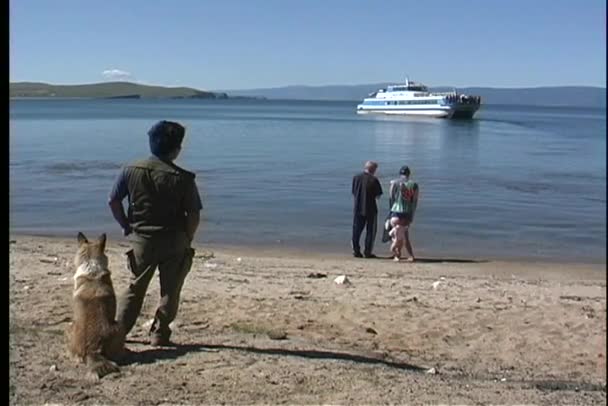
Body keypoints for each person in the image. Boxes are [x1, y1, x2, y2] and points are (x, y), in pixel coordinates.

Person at [108, 120, 202, 346]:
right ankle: (159, 333)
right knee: (170, 289)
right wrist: (188, 237)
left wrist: (124, 225)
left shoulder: (130, 170)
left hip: (142, 239)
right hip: (174, 239)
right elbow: (194, 214)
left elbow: (113, 201)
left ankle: (119, 332)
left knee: (135, 287)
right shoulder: (184, 178)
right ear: (177, 149)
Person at [351, 161, 383, 258]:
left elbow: (353, 192)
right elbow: (378, 196)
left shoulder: (356, 178)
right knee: (371, 231)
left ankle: (356, 250)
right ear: (373, 169)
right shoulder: (374, 180)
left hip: (358, 208)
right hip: (370, 209)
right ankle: (367, 251)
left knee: (356, 230)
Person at [388, 165, 419, 262]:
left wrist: (391, 211)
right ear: (409, 174)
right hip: (407, 212)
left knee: (396, 236)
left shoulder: (394, 183)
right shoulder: (414, 185)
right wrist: (412, 215)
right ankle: (410, 255)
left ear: (400, 174)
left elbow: (391, 198)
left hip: (396, 212)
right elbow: (414, 202)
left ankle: (397, 254)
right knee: (405, 235)